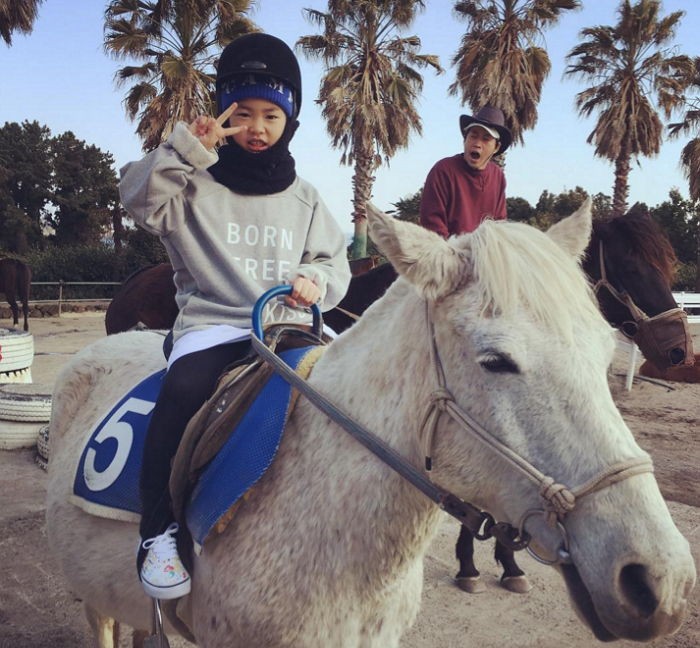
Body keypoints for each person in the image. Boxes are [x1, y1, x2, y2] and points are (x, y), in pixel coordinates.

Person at [119, 33, 351, 601]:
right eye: (241, 113)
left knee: (353, 387)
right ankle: (158, 530)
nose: (256, 127)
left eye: (271, 114)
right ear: (221, 112)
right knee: (184, 390)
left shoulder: (306, 197)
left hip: (290, 323)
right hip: (215, 325)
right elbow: (137, 201)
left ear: (290, 119)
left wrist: (315, 279)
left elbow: (331, 261)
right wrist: (183, 151)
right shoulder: (190, 182)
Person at [419, 105, 512, 237]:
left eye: (486, 139)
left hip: (483, 254)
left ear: (496, 147)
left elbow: (499, 225)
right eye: (473, 136)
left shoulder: (498, 177)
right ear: (465, 139)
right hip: (447, 252)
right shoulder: (443, 170)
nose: (477, 143)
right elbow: (432, 224)